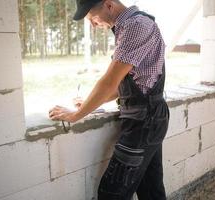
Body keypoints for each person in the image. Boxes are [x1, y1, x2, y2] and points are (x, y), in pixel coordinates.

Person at [49, 0, 170, 199]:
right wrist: (90, 102)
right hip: (149, 117)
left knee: (111, 193)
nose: (93, 26)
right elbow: (134, 84)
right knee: (151, 189)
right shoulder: (130, 26)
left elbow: (109, 82)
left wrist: (76, 114)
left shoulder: (135, 26)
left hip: (144, 122)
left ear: (109, 5)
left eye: (93, 19)